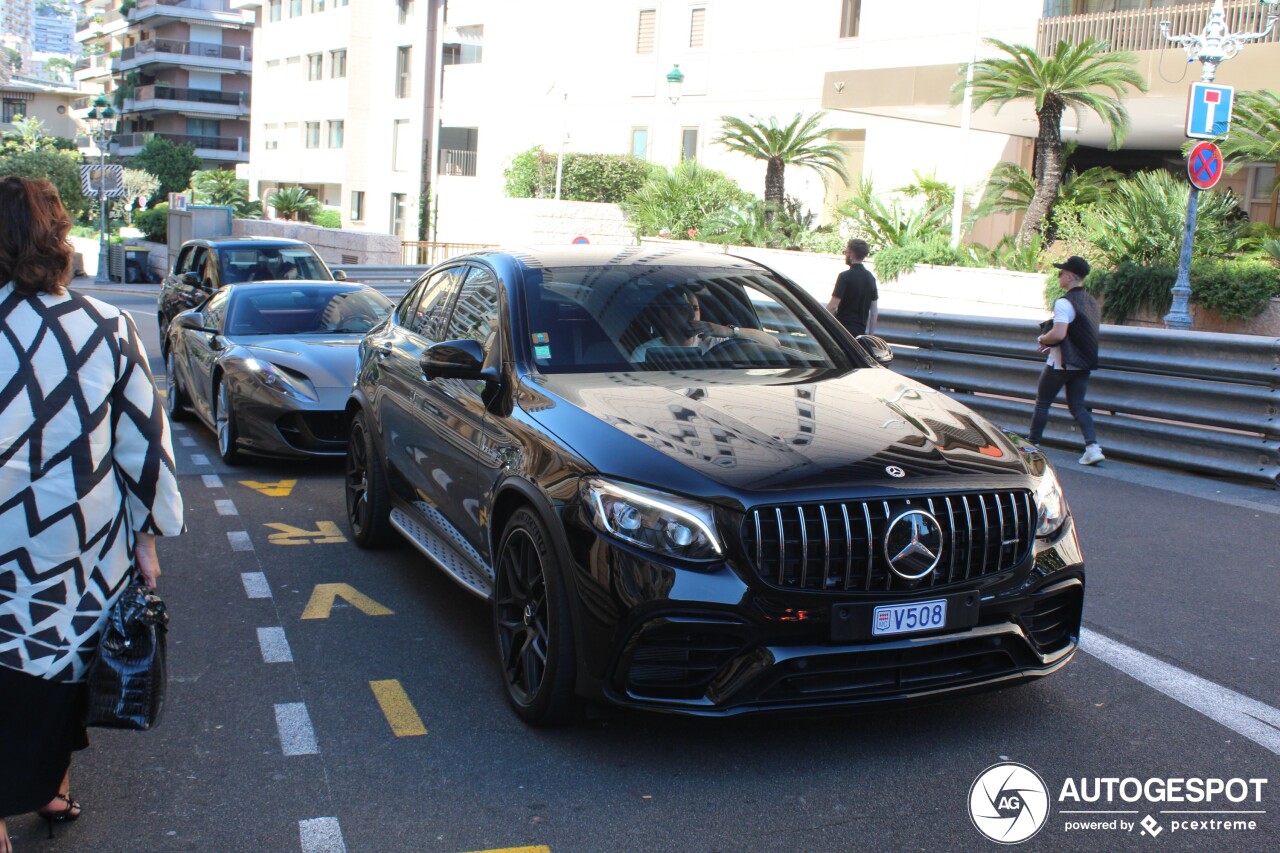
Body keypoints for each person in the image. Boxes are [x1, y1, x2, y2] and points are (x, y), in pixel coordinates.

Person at [0, 177, 185, 851]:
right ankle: (52, 787)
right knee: (64, 669)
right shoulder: (108, 326)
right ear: (59, 238)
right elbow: (143, 441)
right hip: (79, 541)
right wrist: (149, 535)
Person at [1029, 255, 1105, 465]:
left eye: (1061, 273)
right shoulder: (1091, 302)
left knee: (1042, 403)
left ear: (1070, 276)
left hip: (1061, 363)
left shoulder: (1064, 302)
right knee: (1078, 406)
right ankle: (1092, 447)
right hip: (1083, 363)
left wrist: (1042, 338)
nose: (1059, 276)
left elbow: (1059, 333)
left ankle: (1032, 445)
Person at [629, 288, 777, 363]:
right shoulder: (645, 353)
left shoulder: (717, 343)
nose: (692, 316)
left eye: (695, 309)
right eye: (683, 310)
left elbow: (773, 344)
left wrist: (728, 331)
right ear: (665, 317)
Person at [826, 238, 878, 336]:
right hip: (859, 333)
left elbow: (832, 307)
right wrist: (870, 336)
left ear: (851, 254)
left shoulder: (844, 276)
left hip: (842, 331)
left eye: (846, 252)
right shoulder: (871, 278)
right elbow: (874, 311)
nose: (845, 255)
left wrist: (820, 323)